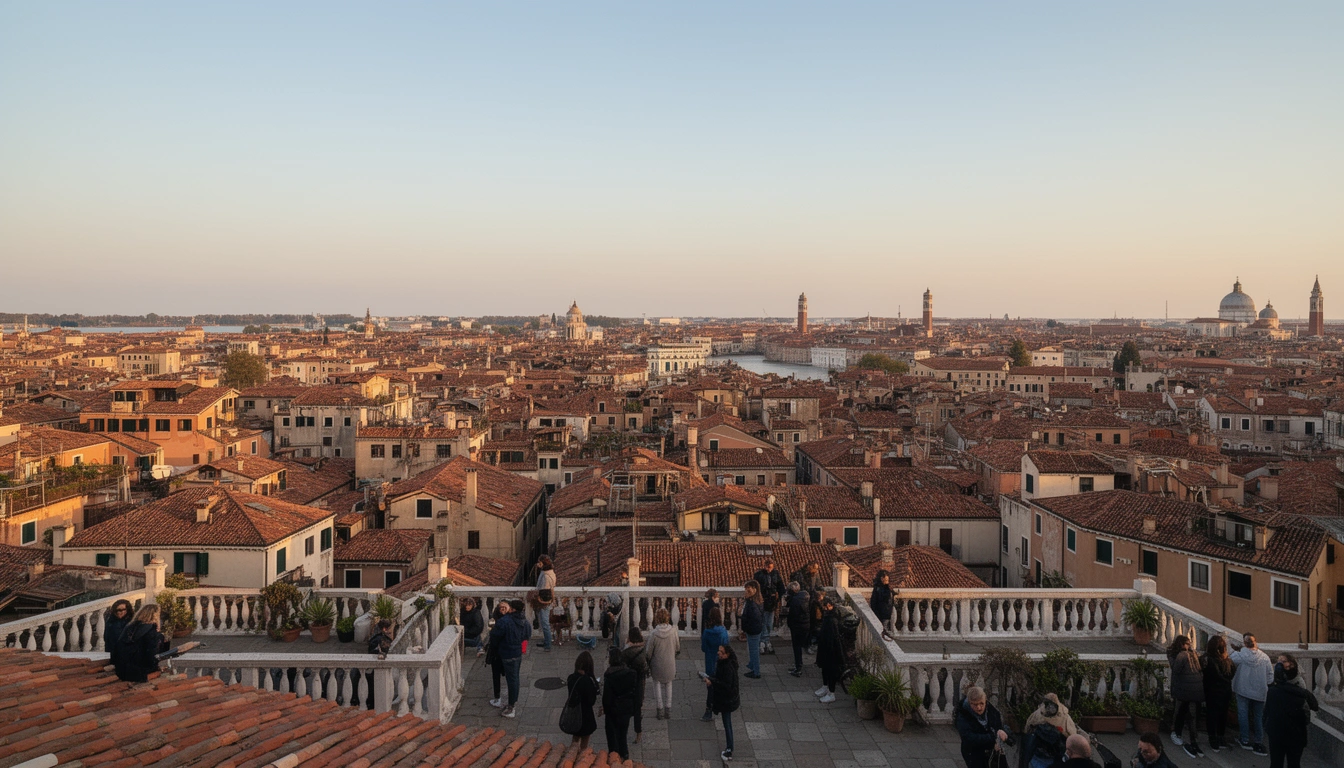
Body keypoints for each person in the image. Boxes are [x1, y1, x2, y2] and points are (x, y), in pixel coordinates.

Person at [1263, 653, 1319, 768]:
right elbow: (1309, 711)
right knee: (1293, 763)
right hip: (1296, 734)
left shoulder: (1273, 692)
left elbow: (1266, 712)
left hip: (1277, 734)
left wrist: (1267, 727)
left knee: (1276, 763)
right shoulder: (1302, 693)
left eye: (1282, 662)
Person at [1229, 632, 1273, 754]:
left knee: (1243, 714)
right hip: (1260, 691)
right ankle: (1258, 741)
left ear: (1244, 643)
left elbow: (1229, 661)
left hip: (1243, 689)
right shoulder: (1264, 657)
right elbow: (1270, 676)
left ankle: (1245, 739)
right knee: (1258, 717)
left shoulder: (1239, 655)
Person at [488, 599, 529, 718]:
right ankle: (512, 703)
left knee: (511, 679)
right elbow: (527, 635)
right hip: (517, 653)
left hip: (506, 653)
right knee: (514, 679)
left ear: (513, 609)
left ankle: (511, 708)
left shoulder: (505, 621)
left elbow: (494, 636)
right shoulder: (524, 621)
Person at [1167, 635, 1205, 758]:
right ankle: (1186, 736)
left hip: (1186, 689)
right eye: (1187, 643)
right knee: (1185, 713)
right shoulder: (1188, 654)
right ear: (1181, 644)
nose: (1188, 645)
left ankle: (1183, 735)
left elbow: (1177, 669)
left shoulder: (1186, 655)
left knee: (1184, 712)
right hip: (1189, 689)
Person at [111, 604, 170, 683]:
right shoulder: (153, 632)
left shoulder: (130, 626)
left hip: (121, 669)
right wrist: (163, 642)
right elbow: (153, 657)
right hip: (140, 672)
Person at [955, 686, 1009, 768]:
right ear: (969, 703)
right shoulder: (963, 716)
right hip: (973, 752)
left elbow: (998, 725)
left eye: (981, 703)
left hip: (992, 750)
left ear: (985, 700)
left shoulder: (991, 710)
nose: (979, 707)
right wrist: (993, 738)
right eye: (975, 705)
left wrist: (1001, 732)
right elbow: (969, 737)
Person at [704, 643, 740, 763]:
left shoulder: (727, 667)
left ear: (727, 654)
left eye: (721, 652)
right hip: (727, 699)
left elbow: (725, 685)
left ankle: (729, 748)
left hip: (727, 700)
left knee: (727, 724)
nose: (718, 653)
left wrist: (712, 682)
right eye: (719, 650)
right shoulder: (725, 664)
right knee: (727, 723)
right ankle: (729, 747)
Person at [1023, 693, 1079, 768]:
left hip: (1057, 751)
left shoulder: (1064, 717)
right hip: (1039, 752)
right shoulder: (1039, 714)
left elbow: (1071, 734)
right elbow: (1029, 727)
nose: (1050, 707)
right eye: (1047, 704)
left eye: (1052, 705)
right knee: (1031, 739)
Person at [602, 646, 638, 760]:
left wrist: (606, 710)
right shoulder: (631, 674)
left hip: (613, 710)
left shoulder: (609, 676)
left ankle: (614, 759)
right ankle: (625, 756)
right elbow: (635, 693)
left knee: (612, 738)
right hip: (626, 709)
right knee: (623, 734)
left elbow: (606, 698)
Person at [1202, 635, 1235, 751]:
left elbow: (1207, 674)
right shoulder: (1227, 661)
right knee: (1222, 714)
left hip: (1212, 691)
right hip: (1225, 691)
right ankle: (1221, 736)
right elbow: (1231, 674)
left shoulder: (1207, 659)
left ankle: (1213, 738)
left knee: (1212, 715)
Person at [646, 608, 680, 720]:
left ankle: (659, 709)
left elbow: (648, 652)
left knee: (656, 684)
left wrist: (648, 660)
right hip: (670, 662)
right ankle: (668, 709)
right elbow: (677, 647)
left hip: (657, 663)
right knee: (669, 684)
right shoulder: (673, 631)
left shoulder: (654, 634)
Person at [564, 650, 600, 752]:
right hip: (586, 715)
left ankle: (571, 757)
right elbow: (591, 701)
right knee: (584, 745)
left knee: (575, 740)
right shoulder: (588, 681)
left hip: (574, 714)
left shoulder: (571, 678)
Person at [621, 627, 650, 744]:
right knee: (638, 708)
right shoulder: (643, 649)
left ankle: (624, 732)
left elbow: (623, 667)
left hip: (628, 681)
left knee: (626, 707)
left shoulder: (626, 652)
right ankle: (638, 734)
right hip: (640, 681)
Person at [700, 606, 729, 722]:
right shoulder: (723, 631)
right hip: (721, 661)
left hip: (710, 661)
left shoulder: (707, 632)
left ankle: (709, 710)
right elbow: (727, 645)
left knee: (710, 685)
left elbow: (703, 648)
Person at [813, 596, 843, 703]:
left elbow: (834, 638)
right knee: (824, 669)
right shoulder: (828, 617)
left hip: (831, 650)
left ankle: (831, 692)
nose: (825, 608)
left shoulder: (832, 619)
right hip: (825, 647)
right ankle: (825, 686)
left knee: (831, 671)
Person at [752, 559, 785, 653]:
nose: (769, 569)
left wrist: (783, 596)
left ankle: (765, 640)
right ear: (764, 566)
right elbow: (755, 587)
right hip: (762, 601)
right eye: (767, 567)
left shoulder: (776, 574)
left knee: (769, 623)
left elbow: (780, 586)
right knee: (763, 621)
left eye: (770, 567)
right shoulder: (758, 575)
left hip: (772, 601)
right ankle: (764, 641)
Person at [739, 580, 765, 679]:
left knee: (753, 651)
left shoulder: (752, 603)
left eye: (748, 590)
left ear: (754, 590)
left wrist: (745, 629)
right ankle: (753, 667)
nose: (746, 592)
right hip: (756, 629)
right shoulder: (758, 601)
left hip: (753, 629)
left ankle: (756, 672)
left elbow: (751, 617)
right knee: (754, 650)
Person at [785, 581, 810, 677]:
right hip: (805, 624)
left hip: (797, 626)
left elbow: (793, 616)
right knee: (799, 647)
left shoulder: (795, 601)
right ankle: (798, 665)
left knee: (797, 647)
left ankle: (798, 668)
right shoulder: (805, 597)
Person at [536, 555, 557, 651]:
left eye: (539, 562)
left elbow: (544, 590)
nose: (538, 564)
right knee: (544, 622)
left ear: (543, 563)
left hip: (544, 601)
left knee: (545, 623)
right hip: (548, 601)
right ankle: (546, 641)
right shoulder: (550, 573)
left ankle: (548, 644)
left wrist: (539, 599)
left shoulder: (545, 576)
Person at [869, 569, 895, 641]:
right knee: (882, 631)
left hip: (886, 614)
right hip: (882, 614)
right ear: (881, 579)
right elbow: (874, 602)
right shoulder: (878, 589)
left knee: (884, 630)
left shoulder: (885, 588)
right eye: (885, 580)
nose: (887, 581)